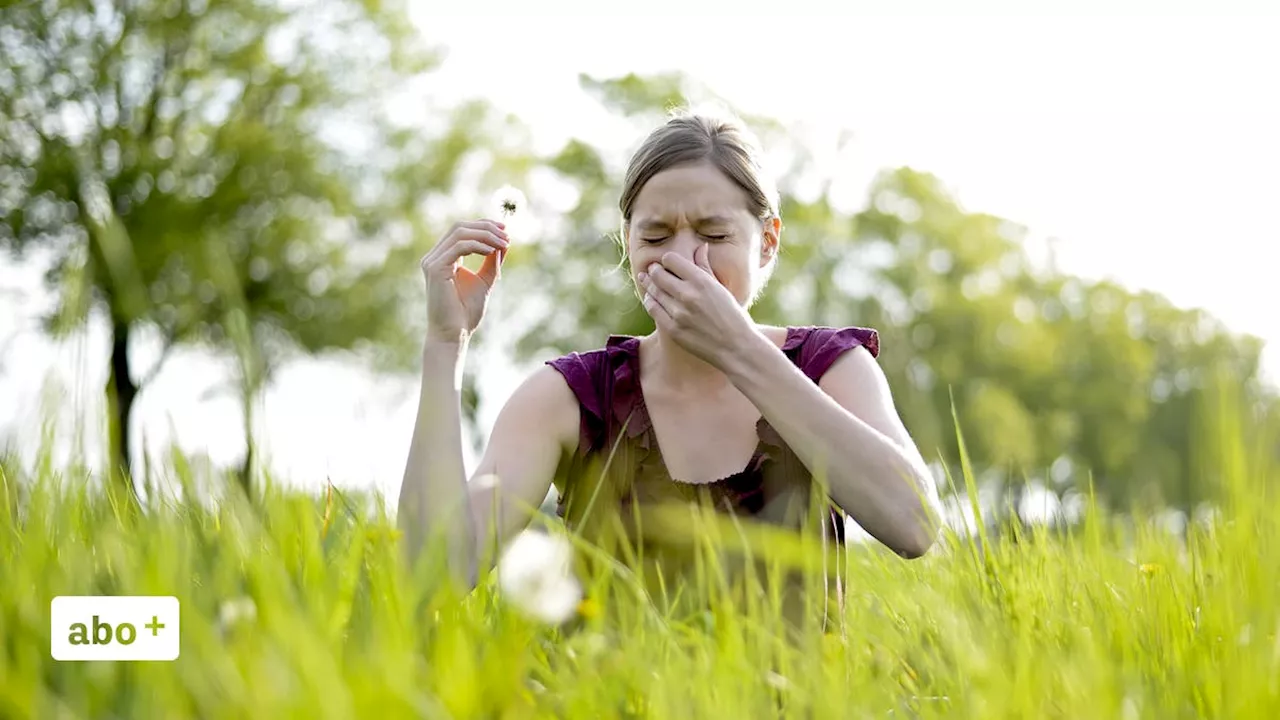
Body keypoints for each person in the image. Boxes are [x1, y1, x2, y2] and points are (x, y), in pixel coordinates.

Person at [398, 109, 941, 621]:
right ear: (627, 244)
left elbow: (914, 528)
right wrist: (446, 343)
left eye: (714, 233)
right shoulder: (570, 396)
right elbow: (433, 578)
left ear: (768, 242)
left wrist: (739, 350)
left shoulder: (831, 369)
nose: (681, 259)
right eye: (655, 236)